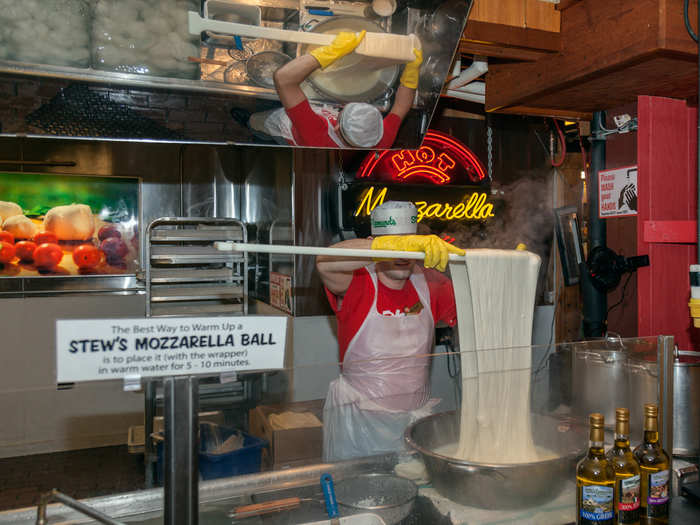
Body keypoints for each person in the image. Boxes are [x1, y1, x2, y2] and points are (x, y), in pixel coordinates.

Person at [316, 201, 465, 461]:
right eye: (394, 244)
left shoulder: (430, 283)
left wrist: (504, 264)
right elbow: (324, 262)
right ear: (373, 243)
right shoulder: (356, 281)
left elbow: (478, 303)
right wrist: (383, 249)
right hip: (359, 425)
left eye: (409, 243)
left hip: (415, 424)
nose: (402, 253)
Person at [245, 31, 422, 148]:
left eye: (343, 111)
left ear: (337, 128)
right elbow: (401, 107)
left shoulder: (316, 136)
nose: (344, 106)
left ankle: (251, 126)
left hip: (287, 126)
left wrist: (333, 51)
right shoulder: (380, 139)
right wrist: (413, 70)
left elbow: (283, 78)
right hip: (310, 115)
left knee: (263, 122)